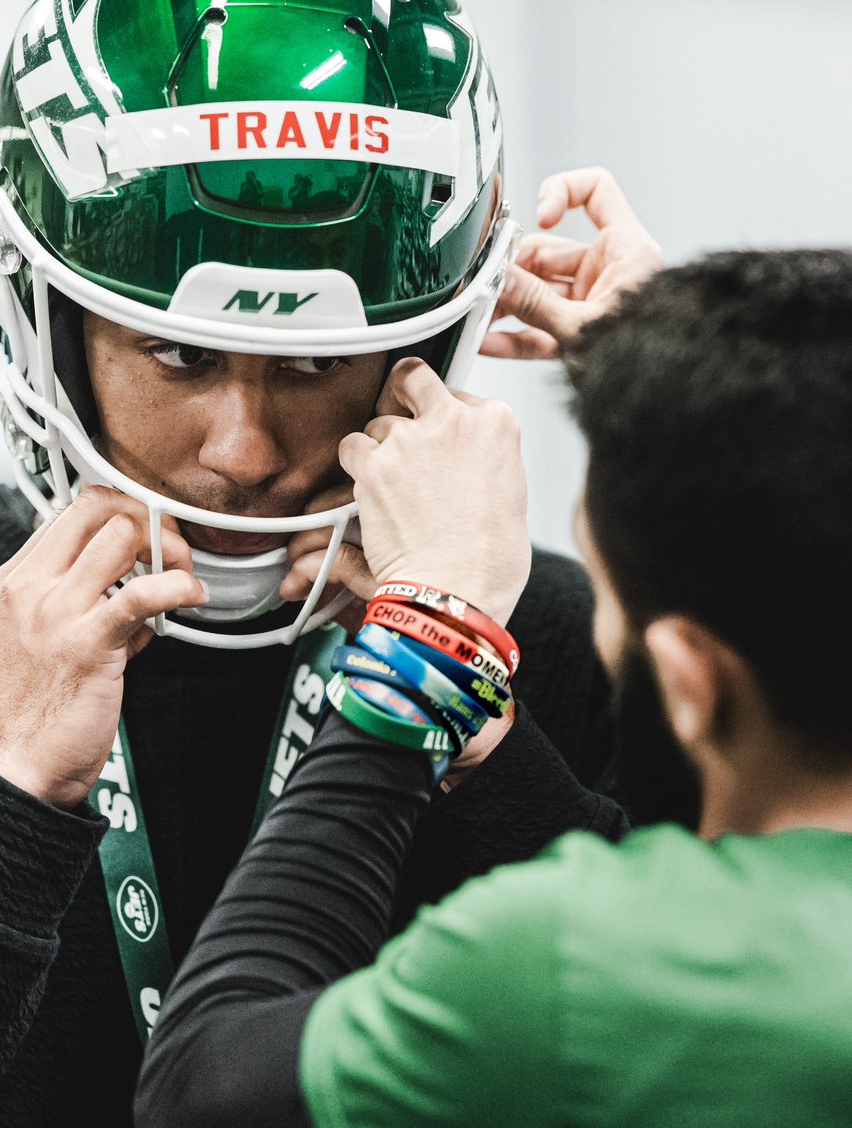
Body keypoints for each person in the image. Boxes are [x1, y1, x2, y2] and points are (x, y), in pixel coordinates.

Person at [0, 0, 653, 1124]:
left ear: (425, 348)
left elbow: (695, 1065)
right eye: (177, 355)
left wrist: (472, 701)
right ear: (49, 328)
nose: (244, 449)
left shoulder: (545, 632)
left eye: (316, 362)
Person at [133, 246, 852, 1127]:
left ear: (689, 683)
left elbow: (203, 1089)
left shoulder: (572, 964)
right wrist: (679, 381)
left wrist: (430, 646)